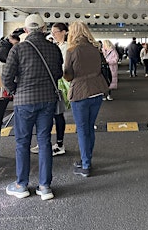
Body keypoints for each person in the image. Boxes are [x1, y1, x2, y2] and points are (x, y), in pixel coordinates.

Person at [2, 14, 63, 200]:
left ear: (26, 30)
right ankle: (45, 187)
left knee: (23, 142)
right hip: (47, 100)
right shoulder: (54, 49)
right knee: (44, 141)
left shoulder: (18, 49)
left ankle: (21, 184)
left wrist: (15, 90)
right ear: (44, 29)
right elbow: (59, 73)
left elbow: (6, 77)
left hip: (24, 101)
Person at [63, 21, 109, 177]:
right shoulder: (95, 49)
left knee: (82, 130)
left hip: (80, 93)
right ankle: (86, 159)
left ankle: (86, 165)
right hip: (97, 90)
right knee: (90, 127)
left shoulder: (72, 50)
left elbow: (68, 75)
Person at [30, 22, 68, 156]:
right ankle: (43, 143)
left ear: (64, 32)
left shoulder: (66, 48)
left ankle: (59, 144)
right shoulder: (54, 46)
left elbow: (63, 68)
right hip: (51, 85)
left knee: (57, 114)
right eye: (52, 32)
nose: (53, 35)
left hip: (59, 84)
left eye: (56, 32)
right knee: (46, 116)